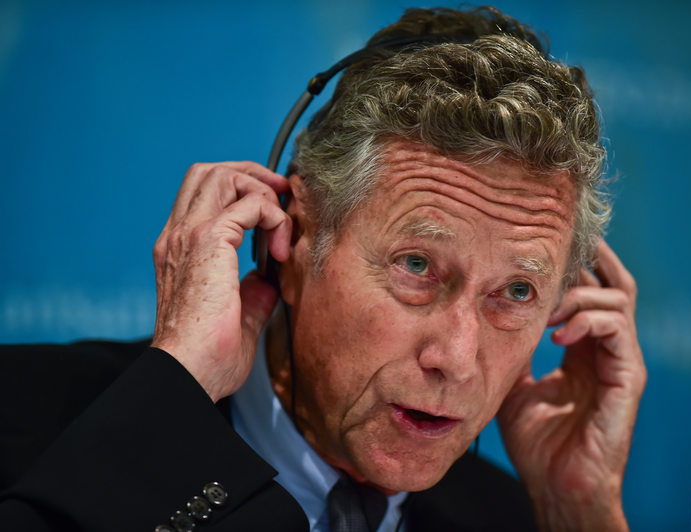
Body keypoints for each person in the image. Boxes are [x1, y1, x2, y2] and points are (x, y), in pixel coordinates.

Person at [0, 6, 646, 531]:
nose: (456, 358)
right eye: (416, 265)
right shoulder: (28, 424)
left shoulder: (522, 518)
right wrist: (173, 399)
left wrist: (577, 512)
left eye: (517, 291)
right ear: (290, 237)